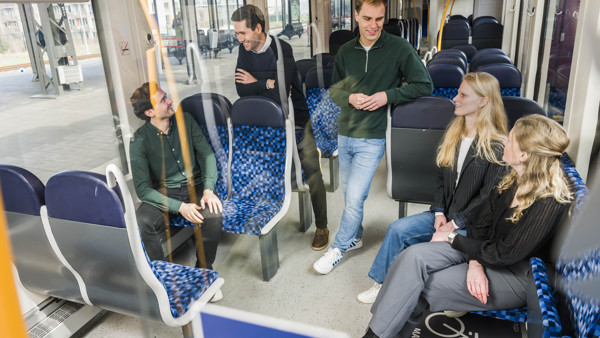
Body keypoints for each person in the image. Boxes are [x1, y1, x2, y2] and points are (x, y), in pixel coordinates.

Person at [364, 114, 573, 338]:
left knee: (422, 287)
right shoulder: (512, 178)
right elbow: (479, 225)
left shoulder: (550, 201)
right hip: (485, 251)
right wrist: (475, 264)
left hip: (518, 275)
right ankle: (376, 330)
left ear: (523, 155)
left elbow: (504, 254)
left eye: (510, 139)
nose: (504, 141)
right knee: (411, 256)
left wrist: (453, 238)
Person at [357, 72, 508, 304]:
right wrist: (438, 212)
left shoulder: (497, 145)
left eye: (462, 95)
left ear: (483, 101)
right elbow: (440, 178)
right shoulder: (454, 133)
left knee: (430, 250)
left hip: (473, 225)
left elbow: (486, 197)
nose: (454, 99)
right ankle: (381, 283)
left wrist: (454, 224)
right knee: (398, 229)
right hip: (444, 215)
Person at [313, 0, 433, 274]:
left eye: (379, 19)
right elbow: (334, 91)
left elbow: (424, 83)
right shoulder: (345, 51)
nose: (373, 25)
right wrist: (350, 97)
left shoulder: (398, 48)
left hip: (373, 137)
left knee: (355, 197)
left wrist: (386, 96)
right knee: (350, 195)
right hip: (346, 135)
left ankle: (339, 248)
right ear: (356, 16)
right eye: (367, 18)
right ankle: (355, 237)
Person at [231, 5, 330, 250]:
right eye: (236, 34)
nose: (239, 39)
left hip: (295, 118)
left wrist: (258, 82)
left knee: (311, 171)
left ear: (258, 28)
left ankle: (322, 226)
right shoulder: (244, 50)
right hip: (265, 121)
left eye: (243, 33)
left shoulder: (281, 48)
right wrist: (267, 83)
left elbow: (282, 93)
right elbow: (240, 90)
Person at [129, 82, 223, 286]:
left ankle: (204, 273)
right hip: (165, 191)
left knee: (213, 215)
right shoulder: (139, 141)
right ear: (150, 112)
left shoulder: (186, 121)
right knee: (143, 220)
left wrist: (208, 189)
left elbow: (207, 156)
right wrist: (180, 207)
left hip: (195, 186)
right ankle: (162, 280)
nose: (171, 100)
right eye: (163, 100)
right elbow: (143, 189)